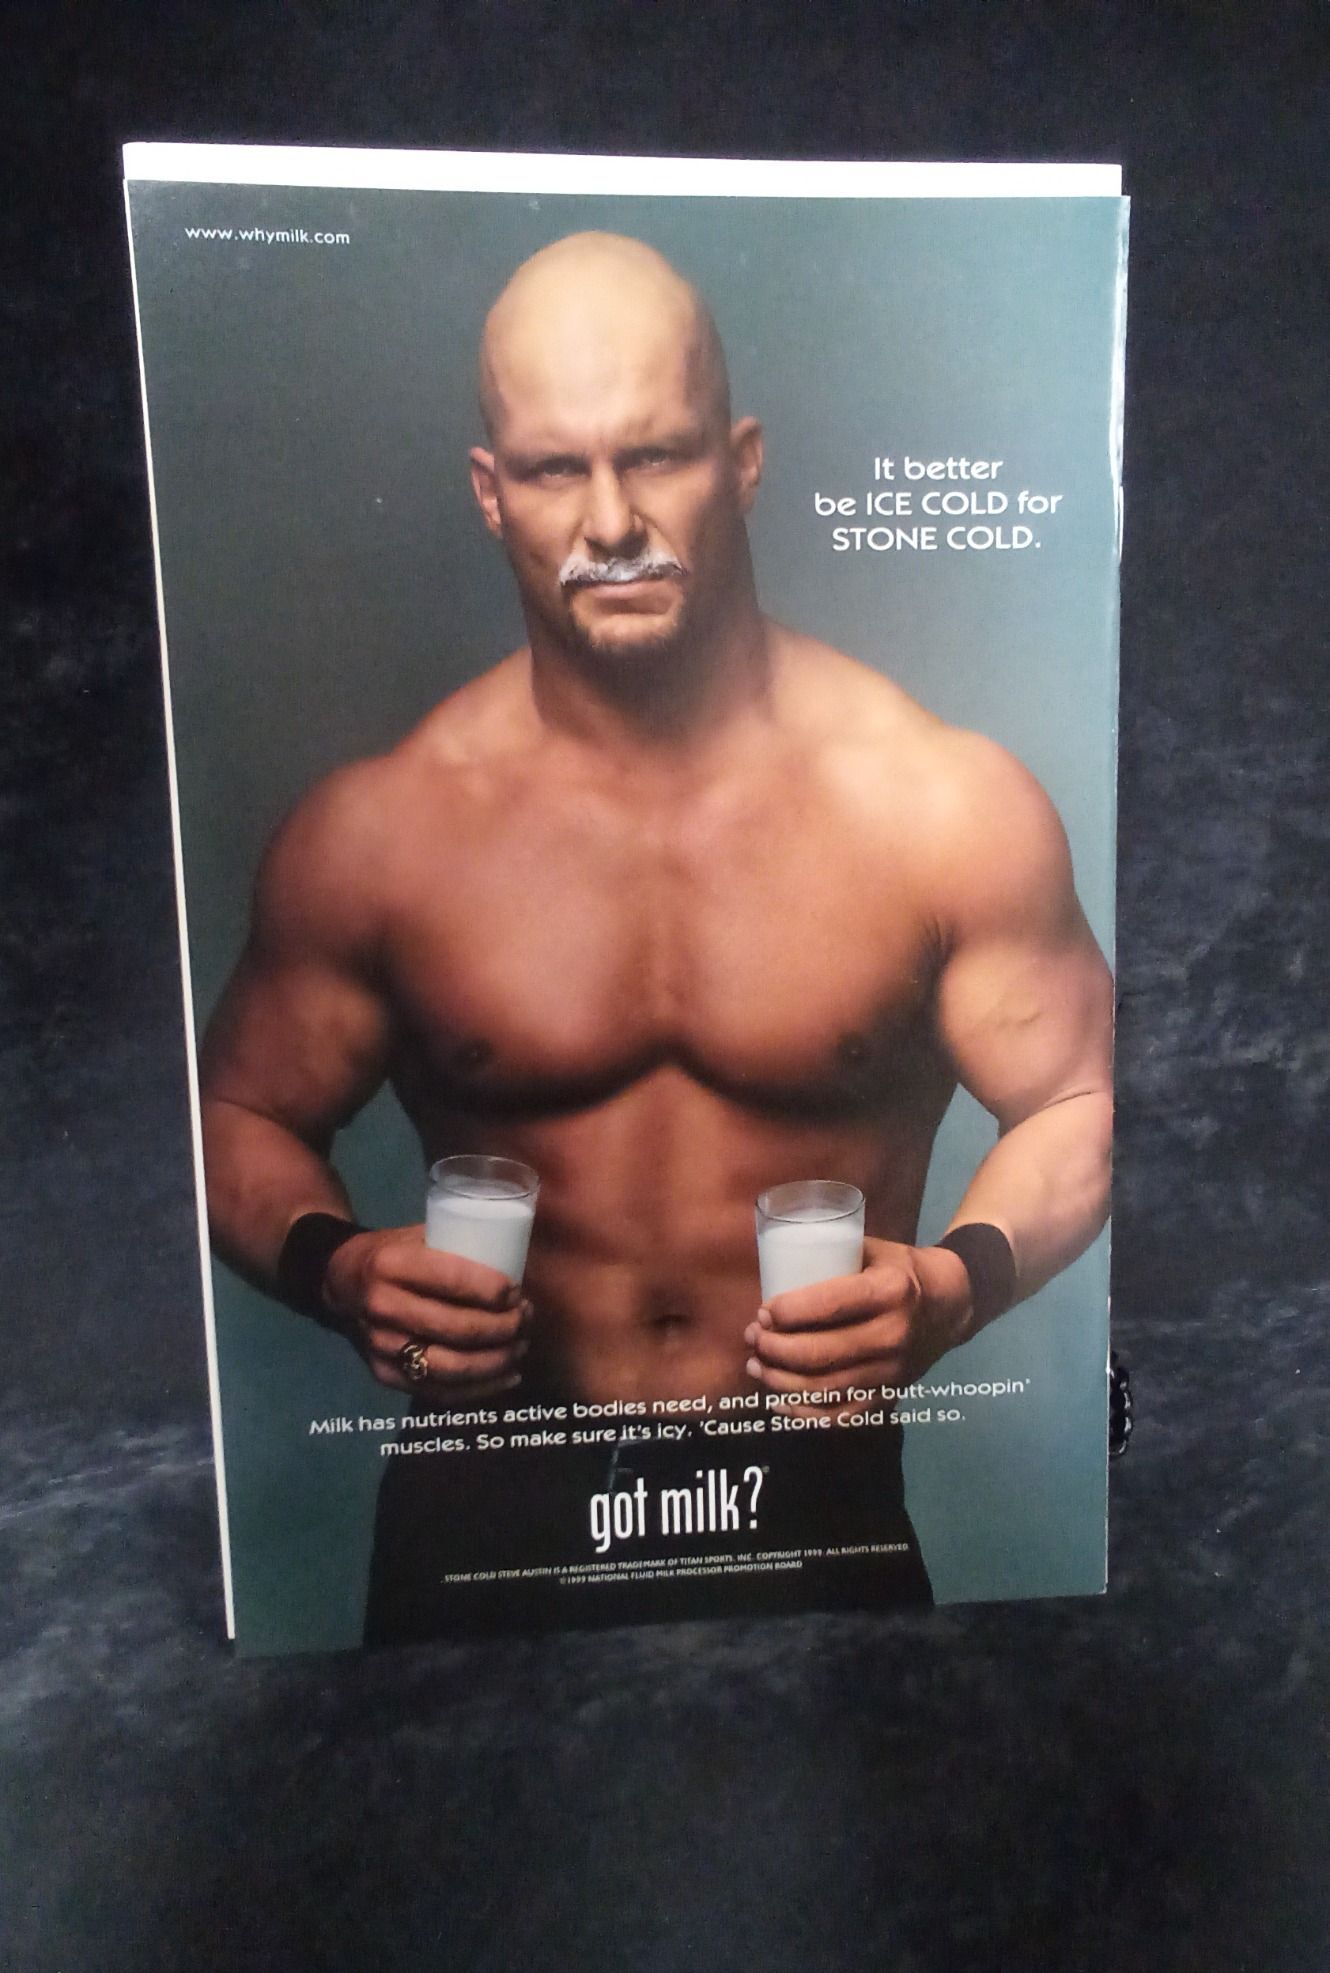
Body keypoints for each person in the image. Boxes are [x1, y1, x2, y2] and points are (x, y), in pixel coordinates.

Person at [199, 232, 1113, 1636]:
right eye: (554, 470)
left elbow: (1080, 1100)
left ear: (741, 462)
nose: (612, 520)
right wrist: (337, 1268)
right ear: (489, 493)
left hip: (810, 1510)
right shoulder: (383, 832)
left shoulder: (937, 804)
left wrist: (956, 1285)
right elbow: (237, 1115)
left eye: (657, 454)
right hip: (483, 1516)